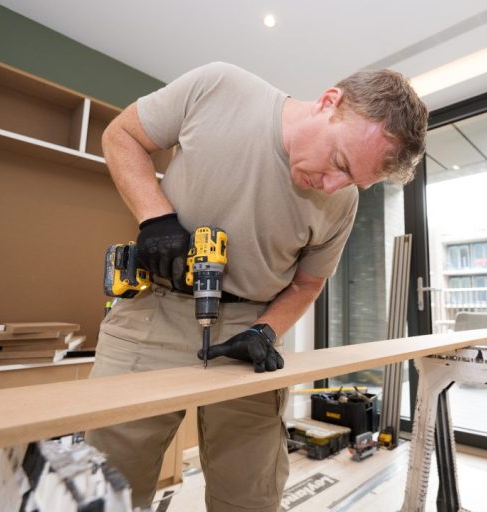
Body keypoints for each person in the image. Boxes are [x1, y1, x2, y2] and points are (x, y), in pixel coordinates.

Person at [86, 61, 427, 511]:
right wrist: (155, 218)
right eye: (339, 163)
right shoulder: (219, 87)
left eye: (352, 180)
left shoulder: (342, 201)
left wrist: (264, 331)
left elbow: (308, 284)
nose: (332, 186)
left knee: (250, 496)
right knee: (107, 488)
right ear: (329, 103)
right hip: (153, 312)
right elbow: (121, 135)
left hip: (247, 336)